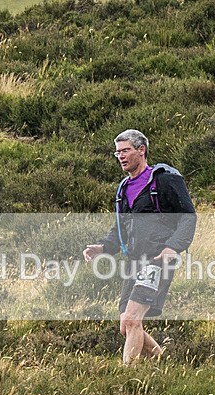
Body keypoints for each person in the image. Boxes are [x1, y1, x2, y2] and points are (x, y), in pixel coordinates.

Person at [83, 129, 196, 366]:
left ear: (141, 150)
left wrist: (173, 247)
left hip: (158, 260)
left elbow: (188, 217)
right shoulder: (124, 188)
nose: (121, 157)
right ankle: (163, 363)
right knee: (126, 325)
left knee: (133, 319)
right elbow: (121, 227)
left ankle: (128, 377)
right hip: (134, 262)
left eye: (126, 151)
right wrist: (103, 247)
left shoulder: (165, 180)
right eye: (118, 152)